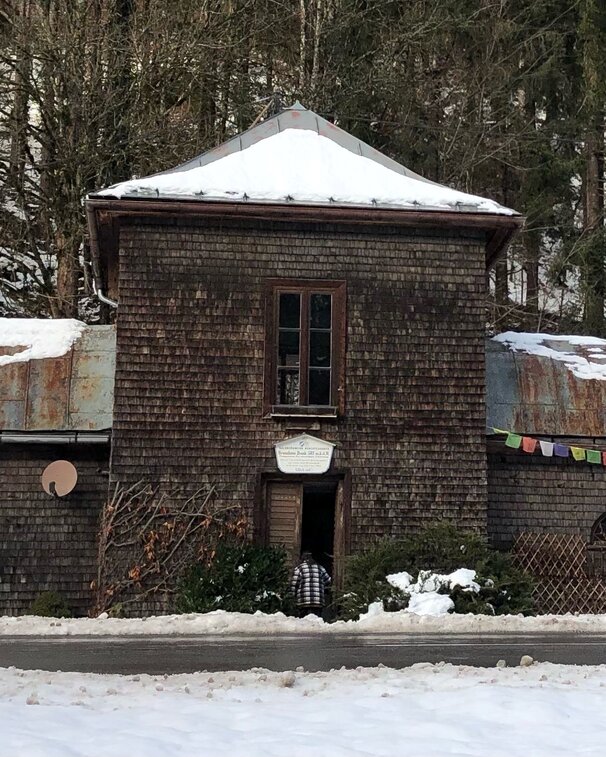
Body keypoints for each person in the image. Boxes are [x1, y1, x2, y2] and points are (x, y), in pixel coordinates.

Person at [289, 551, 331, 617]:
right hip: (318, 602)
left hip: (303, 601)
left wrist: (292, 598)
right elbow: (328, 581)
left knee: (304, 622)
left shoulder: (299, 569)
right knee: (316, 621)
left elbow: (294, 585)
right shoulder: (320, 568)